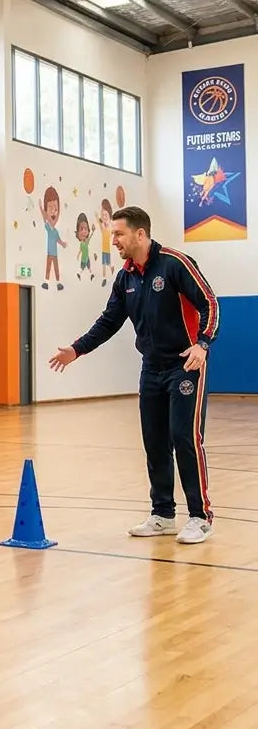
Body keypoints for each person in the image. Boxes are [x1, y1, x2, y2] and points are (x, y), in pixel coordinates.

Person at [48, 206, 219, 545]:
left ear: (140, 234)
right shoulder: (125, 277)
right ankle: (163, 515)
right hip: (151, 368)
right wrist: (76, 350)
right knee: (154, 441)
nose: (114, 240)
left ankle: (200, 517)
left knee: (184, 437)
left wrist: (202, 344)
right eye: (112, 234)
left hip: (185, 365)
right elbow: (109, 321)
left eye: (118, 234)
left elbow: (209, 304)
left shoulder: (175, 263)